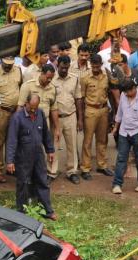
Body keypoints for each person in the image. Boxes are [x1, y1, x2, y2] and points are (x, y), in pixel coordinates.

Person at [6, 94, 57, 220]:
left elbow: (46, 133)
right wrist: (10, 161)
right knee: (23, 183)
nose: (33, 110)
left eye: (36, 107)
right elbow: (12, 140)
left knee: (42, 181)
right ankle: (22, 213)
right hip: (23, 156)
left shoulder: (40, 113)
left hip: (38, 154)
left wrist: (50, 150)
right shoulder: (17, 118)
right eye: (31, 108)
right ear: (26, 104)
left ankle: (47, 210)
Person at [17, 65, 60, 180]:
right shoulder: (28, 85)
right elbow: (20, 107)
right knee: (30, 147)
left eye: (52, 78)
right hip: (29, 121)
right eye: (47, 77)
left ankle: (46, 173)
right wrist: (19, 125)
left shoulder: (52, 88)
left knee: (46, 148)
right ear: (41, 73)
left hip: (44, 121)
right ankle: (28, 174)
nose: (49, 80)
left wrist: (57, 128)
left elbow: (54, 109)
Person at [111, 79, 138, 194]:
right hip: (124, 132)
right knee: (121, 158)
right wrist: (115, 127)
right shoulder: (123, 95)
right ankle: (117, 184)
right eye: (125, 92)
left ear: (134, 88)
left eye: (129, 92)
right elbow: (120, 113)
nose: (127, 94)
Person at [0, 57, 23, 183]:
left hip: (16, 112)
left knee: (13, 140)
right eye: (6, 64)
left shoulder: (18, 70)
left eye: (10, 64)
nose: (8, 66)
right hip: (1, 112)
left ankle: (11, 167)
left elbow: (20, 87)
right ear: (1, 61)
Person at [51, 56, 84, 184]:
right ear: (57, 65)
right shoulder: (51, 79)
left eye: (66, 67)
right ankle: (52, 172)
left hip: (71, 116)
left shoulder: (74, 79)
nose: (64, 70)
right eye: (62, 67)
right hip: (56, 119)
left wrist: (80, 119)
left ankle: (72, 171)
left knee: (72, 145)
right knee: (53, 146)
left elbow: (78, 99)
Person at [80, 54, 112, 180]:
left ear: (101, 65)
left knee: (102, 139)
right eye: (93, 66)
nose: (95, 68)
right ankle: (85, 168)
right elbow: (81, 98)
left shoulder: (106, 76)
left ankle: (102, 165)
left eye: (97, 66)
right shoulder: (85, 78)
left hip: (103, 110)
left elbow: (109, 92)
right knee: (87, 141)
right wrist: (81, 118)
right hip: (90, 110)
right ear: (90, 64)